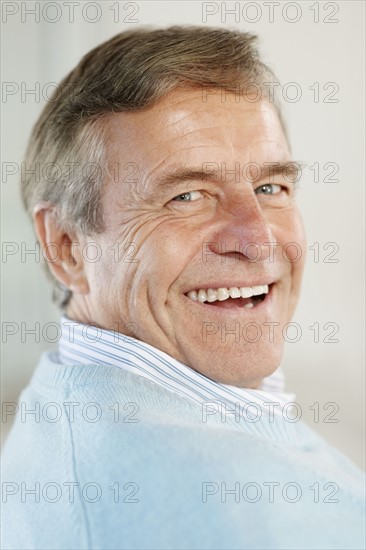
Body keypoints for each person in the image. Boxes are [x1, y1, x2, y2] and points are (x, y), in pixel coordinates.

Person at [2, 27, 364, 550]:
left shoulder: (64, 403)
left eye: (271, 187)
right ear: (66, 246)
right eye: (188, 196)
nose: (259, 239)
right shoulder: (242, 508)